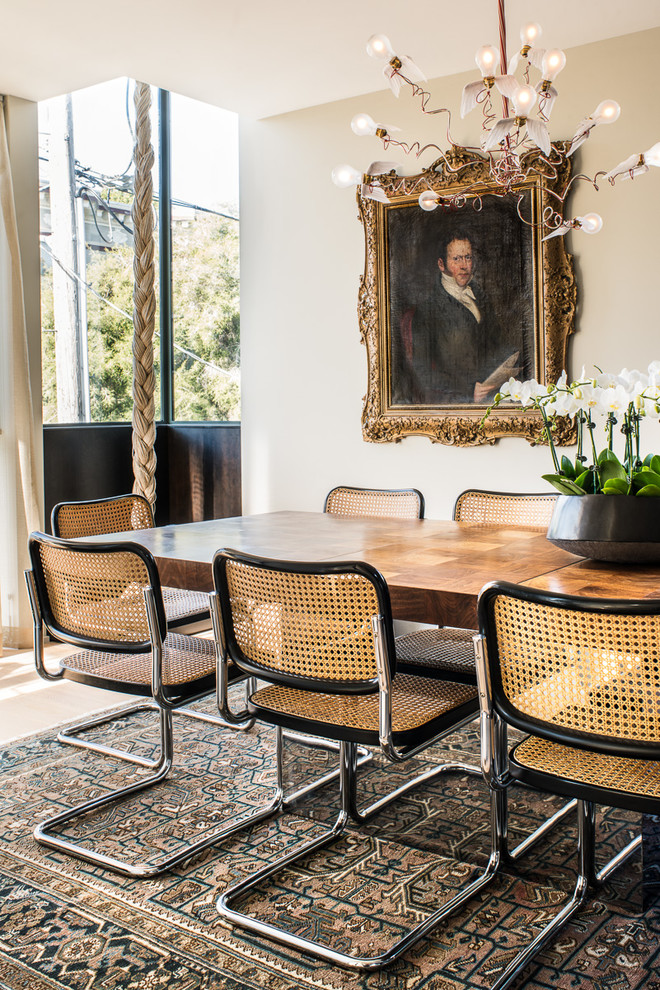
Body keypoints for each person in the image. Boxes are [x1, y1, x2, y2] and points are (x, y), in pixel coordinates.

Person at [409, 230, 520, 405]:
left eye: (467, 257)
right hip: (458, 401)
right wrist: (468, 390)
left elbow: (496, 342)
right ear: (441, 264)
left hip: (494, 393)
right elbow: (422, 371)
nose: (464, 265)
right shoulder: (427, 310)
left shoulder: (480, 296)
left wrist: (510, 361)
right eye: (456, 259)